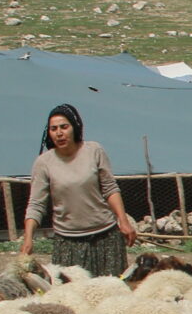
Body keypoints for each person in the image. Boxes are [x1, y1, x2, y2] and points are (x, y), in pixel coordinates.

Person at [18, 103, 137, 276]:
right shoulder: (44, 163)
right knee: (71, 296)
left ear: (75, 127)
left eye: (64, 127)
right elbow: (36, 204)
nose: (59, 133)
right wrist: (28, 238)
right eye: (54, 129)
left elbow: (110, 188)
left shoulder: (94, 151)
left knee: (110, 294)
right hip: (68, 242)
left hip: (105, 238)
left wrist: (123, 221)